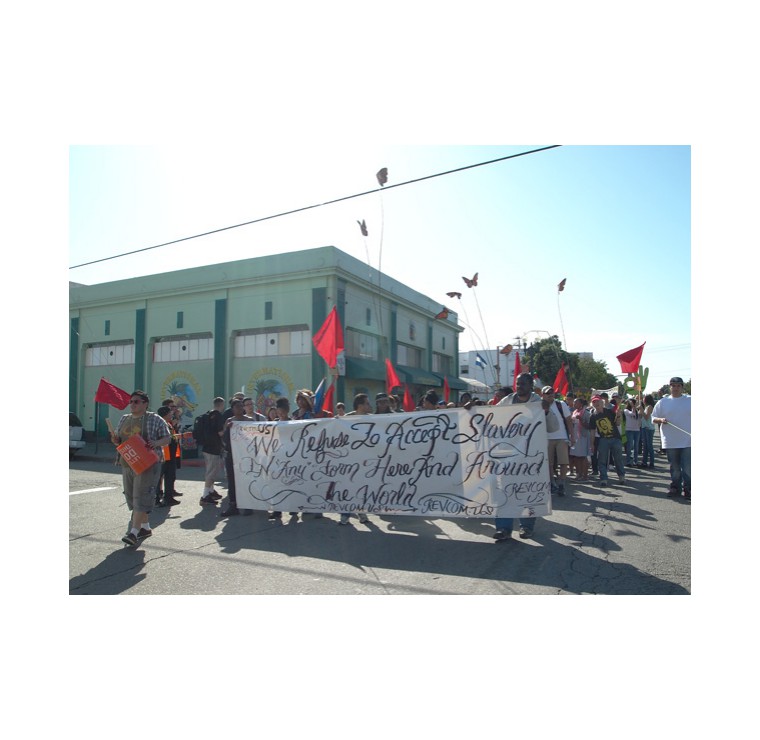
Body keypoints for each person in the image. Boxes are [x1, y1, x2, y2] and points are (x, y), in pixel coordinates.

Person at [110, 390, 172, 547]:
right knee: (131, 496)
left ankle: (133, 532)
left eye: (136, 401)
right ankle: (145, 527)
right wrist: (115, 439)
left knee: (141, 495)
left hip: (148, 464)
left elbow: (167, 438)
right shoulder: (125, 418)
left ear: (145, 404)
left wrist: (156, 443)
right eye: (131, 401)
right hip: (128, 462)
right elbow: (118, 440)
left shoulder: (154, 419)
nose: (132, 404)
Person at [492, 373, 546, 540]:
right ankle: (503, 528)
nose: (519, 386)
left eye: (523, 383)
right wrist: (471, 409)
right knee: (505, 491)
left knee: (527, 492)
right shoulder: (507, 401)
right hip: (508, 454)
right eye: (517, 383)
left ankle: (526, 527)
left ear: (531, 385)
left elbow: (551, 427)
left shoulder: (538, 403)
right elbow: (492, 416)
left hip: (531, 456)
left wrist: (547, 411)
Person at [652, 377, 691, 500]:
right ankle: (675, 487)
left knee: (687, 467)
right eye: (673, 386)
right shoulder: (663, 402)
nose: (675, 388)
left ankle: (688, 488)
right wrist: (661, 420)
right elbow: (653, 418)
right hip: (671, 440)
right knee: (674, 467)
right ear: (670, 387)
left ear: (682, 387)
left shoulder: (690, 400)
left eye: (678, 386)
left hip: (687, 440)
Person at [339, 394, 371, 524]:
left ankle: (362, 513)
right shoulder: (347, 419)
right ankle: (345, 515)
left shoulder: (373, 420)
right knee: (348, 487)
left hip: (365, 460)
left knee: (362, 487)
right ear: (360, 406)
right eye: (367, 403)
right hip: (350, 459)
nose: (369, 406)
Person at [219, 398, 253, 517]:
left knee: (246, 479)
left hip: (245, 455)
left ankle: (249, 505)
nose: (240, 408)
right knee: (232, 481)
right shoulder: (229, 421)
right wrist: (228, 428)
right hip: (232, 455)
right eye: (237, 406)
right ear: (232, 409)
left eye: (241, 406)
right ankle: (233, 505)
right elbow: (223, 437)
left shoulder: (249, 420)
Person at [585, 395, 625, 487]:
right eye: (594, 402)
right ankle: (603, 478)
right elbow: (592, 431)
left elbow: (618, 423)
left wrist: (618, 416)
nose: (596, 403)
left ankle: (621, 476)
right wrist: (592, 444)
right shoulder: (593, 416)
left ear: (602, 402)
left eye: (598, 401)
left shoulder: (610, 412)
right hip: (603, 439)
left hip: (615, 438)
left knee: (618, 459)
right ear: (592, 404)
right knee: (602, 460)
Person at [542, 385, 574, 496]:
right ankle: (552, 483)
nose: (550, 394)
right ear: (543, 395)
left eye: (552, 392)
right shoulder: (538, 406)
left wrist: (572, 436)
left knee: (563, 462)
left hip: (561, 437)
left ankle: (561, 483)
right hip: (546, 438)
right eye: (547, 393)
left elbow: (569, 420)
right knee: (549, 463)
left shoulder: (561, 405)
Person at [199, 397, 226, 506]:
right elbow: (220, 433)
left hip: (206, 447)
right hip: (214, 448)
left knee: (210, 470)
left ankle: (211, 491)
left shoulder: (207, 415)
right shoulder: (218, 415)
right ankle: (205, 495)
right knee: (211, 472)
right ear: (221, 404)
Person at [155, 405, 182, 507]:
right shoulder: (160, 424)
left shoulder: (169, 424)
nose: (172, 415)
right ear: (165, 414)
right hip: (163, 455)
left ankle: (168, 497)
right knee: (159, 478)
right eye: (170, 413)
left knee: (170, 477)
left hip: (170, 455)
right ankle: (156, 499)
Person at [568, 397, 592, 481]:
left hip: (583, 437)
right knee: (576, 457)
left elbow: (589, 426)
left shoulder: (586, 413)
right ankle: (579, 474)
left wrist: (581, 419)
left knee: (582, 457)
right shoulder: (574, 412)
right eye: (574, 403)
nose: (574, 404)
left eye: (576, 403)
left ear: (581, 404)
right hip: (575, 437)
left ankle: (585, 475)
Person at [639, 393, 657, 468]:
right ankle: (644, 462)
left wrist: (642, 410)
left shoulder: (649, 407)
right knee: (645, 446)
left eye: (644, 398)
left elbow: (646, 417)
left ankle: (652, 462)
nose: (643, 400)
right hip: (644, 427)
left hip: (649, 428)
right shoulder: (646, 407)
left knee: (649, 446)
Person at [623, 397, 641, 466]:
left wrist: (639, 408)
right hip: (629, 430)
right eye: (632, 403)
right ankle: (628, 461)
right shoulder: (626, 410)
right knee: (630, 446)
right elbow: (632, 414)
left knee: (636, 446)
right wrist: (633, 406)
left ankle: (635, 461)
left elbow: (640, 415)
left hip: (637, 430)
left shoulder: (637, 410)